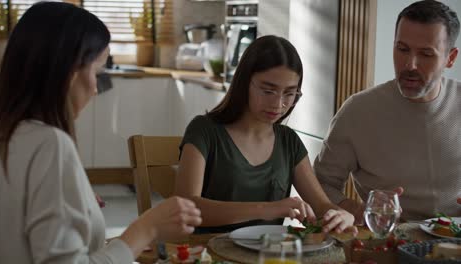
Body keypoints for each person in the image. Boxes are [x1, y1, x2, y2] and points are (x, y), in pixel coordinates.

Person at [0, 2, 201, 263]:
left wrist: (73, 199)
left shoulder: (5, 133)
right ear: (70, 71)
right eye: (97, 72)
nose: (95, 89)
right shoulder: (50, 144)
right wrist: (147, 227)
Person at [174, 35, 357, 234]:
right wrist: (266, 209)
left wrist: (342, 215)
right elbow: (186, 207)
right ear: (244, 83)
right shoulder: (204, 131)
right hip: (207, 254)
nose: (279, 105)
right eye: (268, 91)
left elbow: (322, 207)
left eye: (289, 93)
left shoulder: (289, 142)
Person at [314, 0, 460, 223]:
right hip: (387, 243)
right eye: (402, 49)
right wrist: (355, 210)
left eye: (426, 54)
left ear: (450, 58)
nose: (410, 64)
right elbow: (321, 183)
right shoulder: (358, 111)